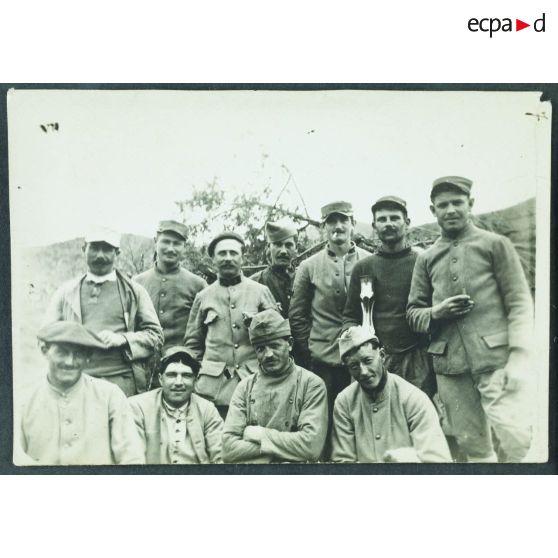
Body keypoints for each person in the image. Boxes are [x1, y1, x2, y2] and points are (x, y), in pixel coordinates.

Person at [407, 176, 533, 462]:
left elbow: (520, 303)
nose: (450, 210)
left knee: (517, 437)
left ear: (470, 204)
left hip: (496, 361)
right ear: (433, 211)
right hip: (451, 367)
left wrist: (520, 356)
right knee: (472, 445)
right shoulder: (426, 258)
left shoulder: (495, 245)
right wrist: (437, 312)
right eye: (443, 205)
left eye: (457, 203)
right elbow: (413, 314)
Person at [42, 226, 163, 396]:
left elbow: (156, 336)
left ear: (117, 253)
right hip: (77, 379)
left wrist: (122, 339)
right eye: (94, 248)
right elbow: (46, 334)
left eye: (107, 249)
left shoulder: (135, 292)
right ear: (84, 249)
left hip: (122, 382)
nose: (100, 255)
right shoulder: (66, 292)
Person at [289, 201, 368, 455]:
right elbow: (297, 315)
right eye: (331, 222)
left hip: (363, 357)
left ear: (353, 224)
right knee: (323, 424)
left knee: (361, 419)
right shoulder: (309, 266)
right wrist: (312, 348)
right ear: (323, 227)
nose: (338, 227)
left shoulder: (369, 262)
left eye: (343, 220)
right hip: (323, 361)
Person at [342, 196, 436, 397]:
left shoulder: (423, 261)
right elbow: (350, 315)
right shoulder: (364, 267)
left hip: (418, 358)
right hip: (376, 359)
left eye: (395, 218)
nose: (389, 224)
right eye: (382, 220)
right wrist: (357, 343)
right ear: (375, 226)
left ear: (407, 222)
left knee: (416, 415)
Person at [15, 321, 145, 466]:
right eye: (62, 352)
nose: (70, 362)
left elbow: (131, 457)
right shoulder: (22, 399)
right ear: (44, 350)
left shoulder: (110, 396)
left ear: (87, 357)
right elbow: (15, 458)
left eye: (78, 354)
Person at [183, 231, 276, 418]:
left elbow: (277, 336)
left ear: (243, 257)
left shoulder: (260, 292)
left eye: (233, 253)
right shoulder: (203, 297)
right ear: (213, 259)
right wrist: (201, 375)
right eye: (222, 253)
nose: (228, 258)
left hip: (255, 382)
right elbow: (193, 345)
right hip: (213, 391)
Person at [331, 326, 451, 463]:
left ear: (382, 356)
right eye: (354, 366)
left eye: (368, 361)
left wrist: (406, 459)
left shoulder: (413, 398)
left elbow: (438, 461)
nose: (363, 371)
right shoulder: (344, 402)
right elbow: (343, 461)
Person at [222, 309, 328, 463]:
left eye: (274, 346)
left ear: (290, 344)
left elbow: (310, 446)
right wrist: (283, 450)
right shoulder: (244, 387)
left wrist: (257, 434)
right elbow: (228, 449)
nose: (268, 354)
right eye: (261, 349)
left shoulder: (311, 384)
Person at [128, 346, 223, 464]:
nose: (179, 382)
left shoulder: (207, 410)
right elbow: (133, 459)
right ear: (161, 379)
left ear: (196, 380)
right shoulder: (138, 407)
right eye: (172, 375)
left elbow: (220, 457)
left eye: (186, 375)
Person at [134, 220, 207, 349]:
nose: (170, 249)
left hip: (182, 363)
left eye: (177, 244)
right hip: (143, 360)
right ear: (155, 241)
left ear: (184, 246)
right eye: (166, 242)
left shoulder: (198, 285)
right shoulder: (136, 283)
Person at [250, 219, 298, 319]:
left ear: (296, 248)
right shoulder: (255, 282)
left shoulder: (305, 277)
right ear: (268, 247)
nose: (284, 251)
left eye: (289, 245)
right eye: (278, 244)